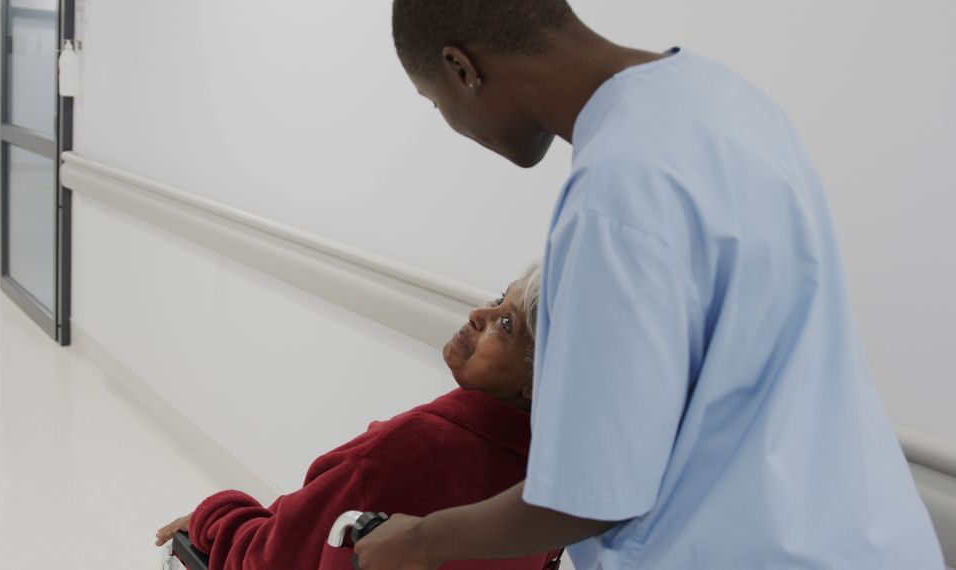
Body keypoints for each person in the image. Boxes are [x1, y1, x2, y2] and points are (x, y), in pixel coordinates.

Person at [352, 1, 945, 568]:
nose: (453, 125)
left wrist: (419, 540)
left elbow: (588, 494)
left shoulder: (613, 198)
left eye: (436, 104)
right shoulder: (725, 99)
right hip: (873, 536)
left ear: (463, 69)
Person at [155, 266, 564, 569]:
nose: (479, 314)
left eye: (506, 324)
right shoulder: (556, 487)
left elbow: (269, 558)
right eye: (496, 301)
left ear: (537, 378)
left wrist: (214, 515)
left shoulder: (411, 450)